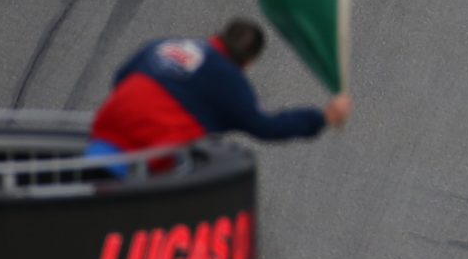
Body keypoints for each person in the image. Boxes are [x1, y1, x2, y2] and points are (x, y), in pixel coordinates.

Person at [86, 19, 350, 169]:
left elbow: (120, 77)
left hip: (106, 125)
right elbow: (266, 127)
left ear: (220, 35)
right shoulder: (230, 83)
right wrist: (323, 117)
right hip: (149, 150)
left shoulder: (167, 45)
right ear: (249, 61)